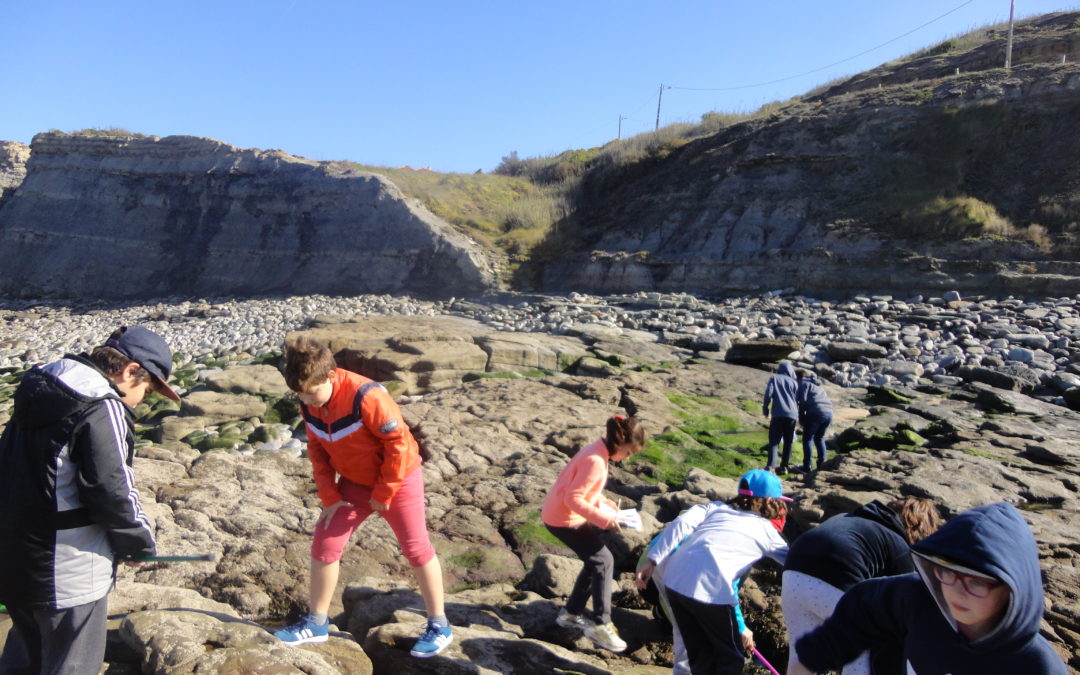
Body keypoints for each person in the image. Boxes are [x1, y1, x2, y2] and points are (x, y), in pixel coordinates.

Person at [0, 326, 178, 673]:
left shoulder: (42, 382)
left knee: (23, 660)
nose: (142, 399)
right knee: (72, 664)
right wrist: (137, 542)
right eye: (147, 388)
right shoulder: (100, 405)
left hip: (14, 561)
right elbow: (111, 489)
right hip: (68, 573)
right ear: (129, 371)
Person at [272, 336, 451, 658]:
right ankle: (316, 623)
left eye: (311, 392)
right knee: (325, 544)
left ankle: (439, 624)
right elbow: (316, 449)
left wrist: (384, 492)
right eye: (299, 394)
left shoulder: (367, 396)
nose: (306, 400)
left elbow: (397, 445)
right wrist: (330, 496)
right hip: (353, 484)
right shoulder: (308, 397)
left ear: (330, 375)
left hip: (398, 480)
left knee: (415, 548)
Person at [790, 502, 1068, 675]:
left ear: (1013, 587)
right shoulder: (918, 599)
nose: (957, 592)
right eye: (948, 573)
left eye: (975, 582)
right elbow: (864, 602)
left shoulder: (1036, 665)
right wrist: (812, 656)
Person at [635, 469, 791, 674]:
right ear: (770, 501)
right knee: (731, 659)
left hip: (673, 581)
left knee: (700, 654)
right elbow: (796, 561)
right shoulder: (767, 531)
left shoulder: (716, 508)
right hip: (709, 591)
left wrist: (652, 560)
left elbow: (681, 523)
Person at [782, 497, 942, 675]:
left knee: (802, 658)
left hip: (792, 574)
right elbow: (906, 607)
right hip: (837, 579)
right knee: (866, 647)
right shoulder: (899, 546)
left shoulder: (848, 519)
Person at [542, 415, 645, 653]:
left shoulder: (597, 450)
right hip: (563, 519)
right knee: (603, 560)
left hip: (559, 514)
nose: (627, 458)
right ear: (620, 441)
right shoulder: (596, 460)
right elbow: (573, 498)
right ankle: (602, 623)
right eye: (628, 453)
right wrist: (605, 520)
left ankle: (570, 614)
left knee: (595, 560)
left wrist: (606, 503)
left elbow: (582, 488)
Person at [762, 362, 799, 473]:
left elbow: (768, 394)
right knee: (788, 441)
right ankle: (784, 467)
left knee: (774, 441)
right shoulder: (794, 383)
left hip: (778, 414)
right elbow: (798, 400)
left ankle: (771, 466)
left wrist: (765, 408)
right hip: (792, 415)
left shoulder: (774, 378)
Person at [795, 369, 833, 473]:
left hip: (816, 412)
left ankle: (807, 467)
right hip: (829, 412)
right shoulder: (817, 384)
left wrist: (801, 417)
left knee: (807, 439)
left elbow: (802, 402)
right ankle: (821, 465)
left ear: (797, 378)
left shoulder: (803, 384)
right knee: (819, 438)